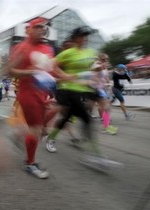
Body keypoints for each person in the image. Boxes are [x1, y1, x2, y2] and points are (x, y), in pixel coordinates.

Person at [7, 17, 74, 179]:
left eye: (43, 27)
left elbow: (52, 71)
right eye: (37, 27)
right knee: (36, 130)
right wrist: (32, 72)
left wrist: (67, 78)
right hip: (28, 94)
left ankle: (21, 134)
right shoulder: (21, 47)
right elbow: (11, 71)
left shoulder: (47, 49)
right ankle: (30, 163)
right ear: (28, 30)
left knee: (42, 128)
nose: (41, 29)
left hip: (44, 94)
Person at [43, 26, 106, 163]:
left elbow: (95, 67)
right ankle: (96, 155)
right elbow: (52, 66)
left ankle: (51, 138)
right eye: (80, 37)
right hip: (66, 90)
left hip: (81, 90)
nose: (83, 39)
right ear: (75, 39)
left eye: (85, 37)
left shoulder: (91, 52)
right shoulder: (67, 53)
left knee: (67, 118)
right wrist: (64, 75)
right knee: (87, 119)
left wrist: (97, 69)